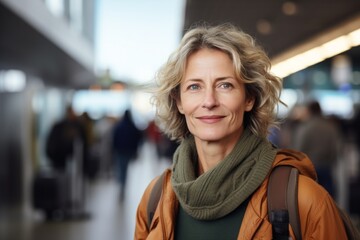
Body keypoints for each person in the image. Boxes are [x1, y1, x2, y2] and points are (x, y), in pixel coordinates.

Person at [134, 23, 347, 239]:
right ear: (179, 102)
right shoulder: (156, 198)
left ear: (249, 98)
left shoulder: (303, 200)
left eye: (225, 85)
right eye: (194, 87)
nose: (209, 101)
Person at [293, 100, 342, 198]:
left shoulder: (305, 127)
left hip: (309, 169)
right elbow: (336, 149)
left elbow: (298, 149)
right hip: (326, 167)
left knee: (311, 200)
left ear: (310, 111)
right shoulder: (330, 127)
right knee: (328, 200)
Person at [112, 109, 142, 201]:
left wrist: (114, 148)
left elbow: (114, 138)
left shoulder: (119, 126)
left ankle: (121, 183)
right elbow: (137, 138)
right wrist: (135, 150)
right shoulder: (132, 126)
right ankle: (123, 184)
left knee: (121, 167)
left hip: (120, 150)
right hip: (128, 151)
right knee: (125, 168)